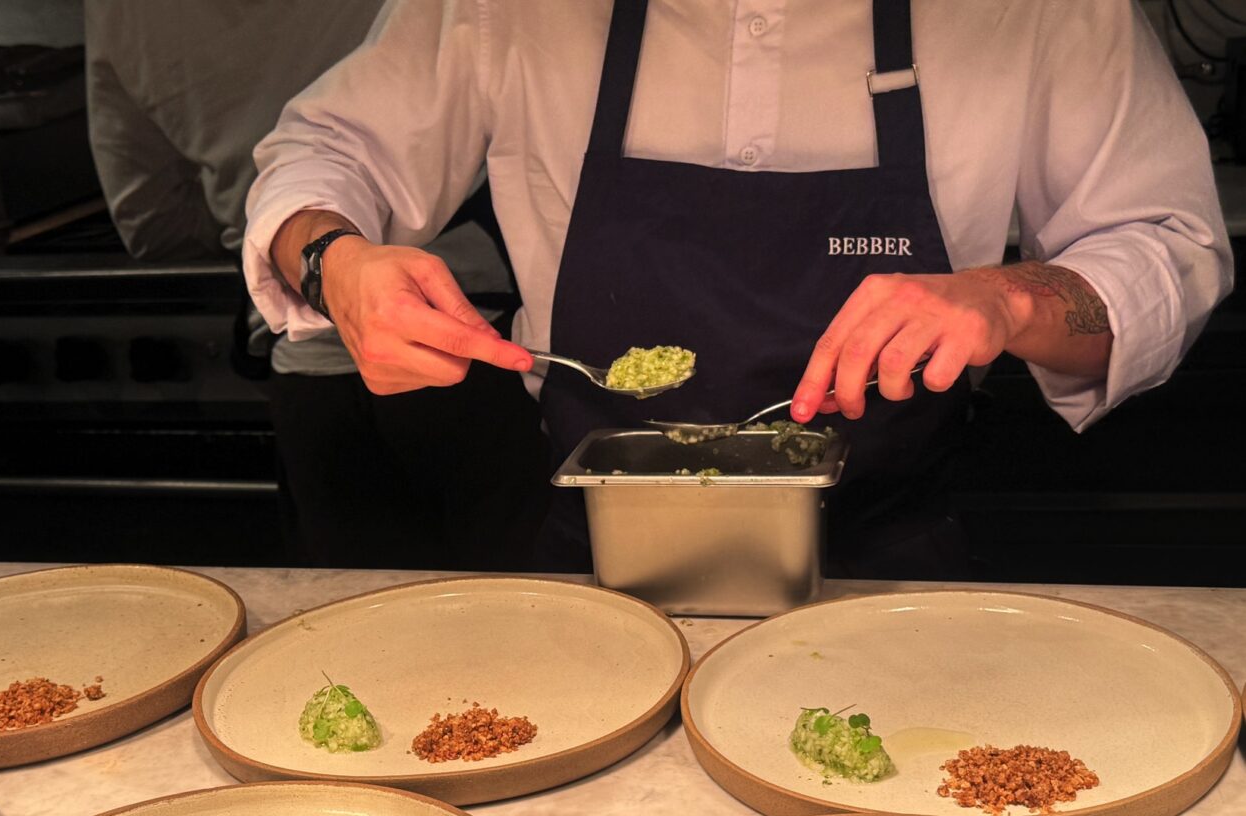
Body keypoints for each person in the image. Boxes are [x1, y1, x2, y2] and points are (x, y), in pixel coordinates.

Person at [244, 0, 1231, 578]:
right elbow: (326, 152)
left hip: (889, 566)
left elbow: (1164, 244)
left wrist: (1010, 298)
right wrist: (336, 261)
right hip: (593, 568)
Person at [84, 0, 550, 570]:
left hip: (311, 373)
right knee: (523, 613)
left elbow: (152, 223)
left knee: (360, 632)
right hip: (480, 345)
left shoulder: (119, 12)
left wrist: (255, 227)